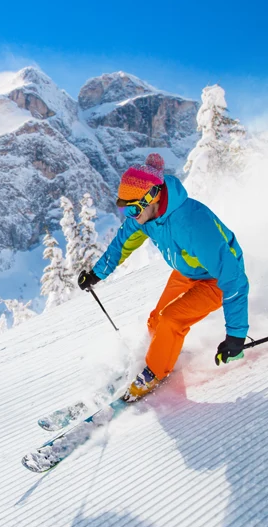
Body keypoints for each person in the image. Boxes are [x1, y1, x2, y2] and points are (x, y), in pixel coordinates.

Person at [78, 153, 249, 402]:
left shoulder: (193, 224)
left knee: (171, 319)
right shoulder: (145, 217)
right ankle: (154, 356)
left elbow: (233, 278)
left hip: (216, 278)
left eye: (134, 208)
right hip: (187, 272)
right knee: (156, 321)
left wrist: (236, 335)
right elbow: (121, 245)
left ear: (153, 197)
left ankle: (155, 372)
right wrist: (96, 273)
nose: (130, 215)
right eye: (125, 209)